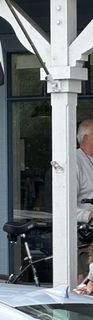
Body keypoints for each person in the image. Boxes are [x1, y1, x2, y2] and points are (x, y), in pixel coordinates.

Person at [74, 119, 93, 294]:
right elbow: (64, 206)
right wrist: (88, 215)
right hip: (83, 232)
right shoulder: (74, 163)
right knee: (84, 279)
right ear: (87, 137)